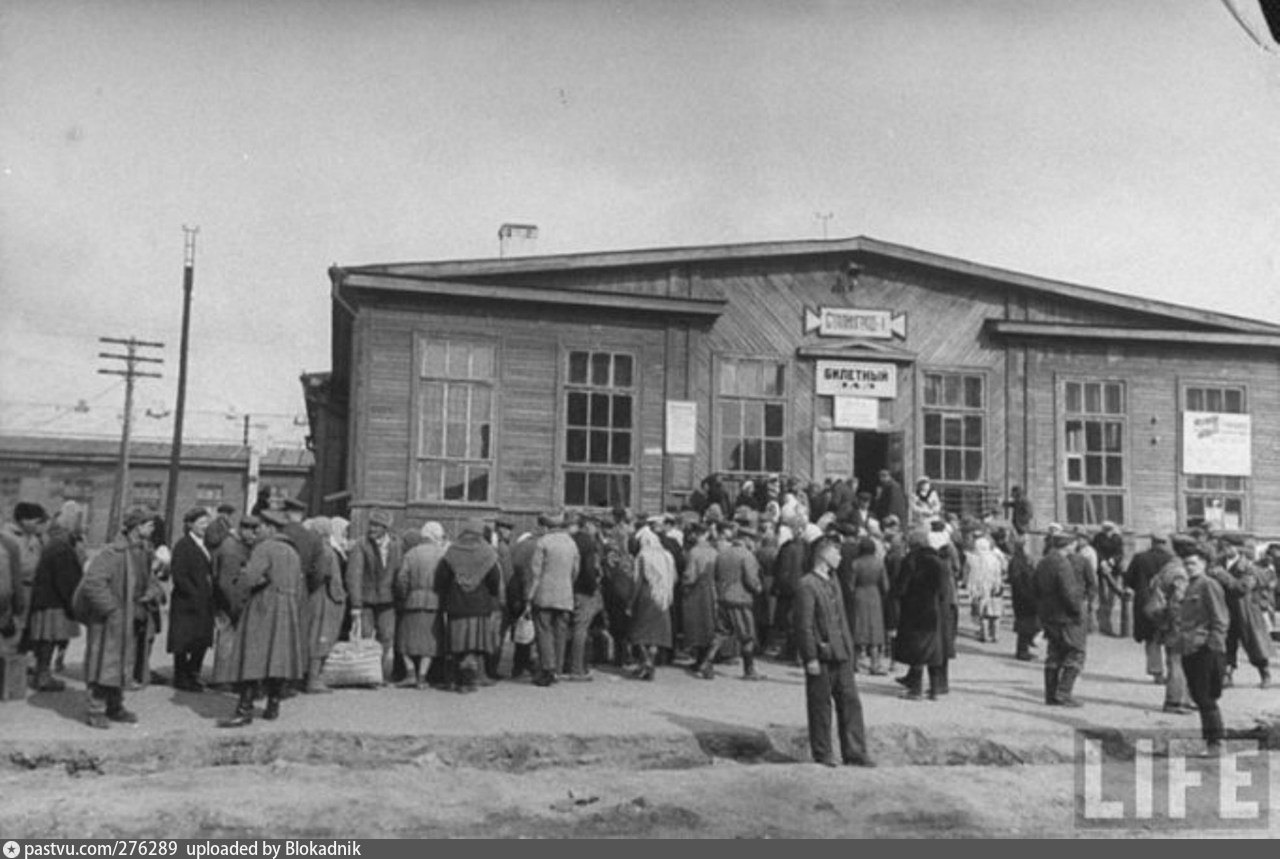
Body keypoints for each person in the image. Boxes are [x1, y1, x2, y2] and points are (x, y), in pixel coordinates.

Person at [218, 509, 305, 728]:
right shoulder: (292, 552)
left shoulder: (264, 548)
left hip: (264, 607)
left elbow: (249, 578)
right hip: (288, 608)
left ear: (271, 528)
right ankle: (272, 706)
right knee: (277, 658)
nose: (257, 530)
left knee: (252, 656)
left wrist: (238, 596)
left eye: (261, 526)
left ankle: (244, 710)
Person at [796, 537, 873, 768]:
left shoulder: (834, 580)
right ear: (822, 554)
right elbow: (804, 625)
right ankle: (823, 753)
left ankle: (855, 752)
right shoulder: (807, 584)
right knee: (820, 707)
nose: (840, 557)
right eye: (835, 552)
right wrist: (810, 656)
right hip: (821, 655)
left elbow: (843, 619)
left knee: (851, 703)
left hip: (842, 654)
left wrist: (850, 651)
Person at [79, 508, 155, 728]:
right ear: (137, 527)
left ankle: (115, 706)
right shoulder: (113, 553)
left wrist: (151, 592)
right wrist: (111, 610)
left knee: (123, 663)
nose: (153, 529)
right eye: (150, 525)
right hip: (110, 621)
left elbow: (149, 579)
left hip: (133, 617)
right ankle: (95, 710)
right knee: (104, 663)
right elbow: (93, 584)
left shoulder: (144, 551)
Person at [22, 501, 85, 692]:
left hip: (47, 598)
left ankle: (42, 673)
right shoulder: (62, 547)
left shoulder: (55, 542)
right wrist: (75, 603)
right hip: (54, 601)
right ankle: (43, 676)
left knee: (46, 640)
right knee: (48, 640)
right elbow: (66, 579)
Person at [436, 519, 503, 694]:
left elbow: (442, 578)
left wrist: (445, 595)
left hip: (456, 604)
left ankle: (454, 680)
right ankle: (470, 679)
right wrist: (492, 595)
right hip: (479, 605)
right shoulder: (487, 552)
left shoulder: (452, 551)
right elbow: (495, 580)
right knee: (474, 645)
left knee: (457, 644)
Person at [1176, 543, 1230, 756]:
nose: (1189, 567)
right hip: (1190, 648)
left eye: (1193, 563)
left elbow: (1220, 619)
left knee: (1205, 697)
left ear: (1205, 564)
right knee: (1199, 696)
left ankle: (1216, 743)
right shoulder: (1190, 585)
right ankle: (1212, 741)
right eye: (1186, 563)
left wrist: (1213, 648)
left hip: (1205, 649)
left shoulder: (1209, 585)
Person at [892, 528, 952, 700]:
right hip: (934, 610)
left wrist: (898, 597)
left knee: (917, 651)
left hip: (915, 610)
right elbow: (943, 590)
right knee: (933, 650)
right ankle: (934, 690)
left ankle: (916, 689)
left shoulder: (912, 560)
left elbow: (901, 587)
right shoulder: (938, 561)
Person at [346, 509, 404, 683]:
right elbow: (354, 575)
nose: (372, 529)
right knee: (364, 635)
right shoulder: (361, 545)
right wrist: (356, 603)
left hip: (388, 600)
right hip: (366, 600)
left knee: (387, 637)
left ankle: (379, 672)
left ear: (386, 528)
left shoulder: (396, 545)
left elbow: (399, 572)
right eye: (371, 524)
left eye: (377, 525)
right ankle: (364, 673)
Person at [1033, 531, 1087, 707]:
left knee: (1054, 654)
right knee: (1076, 652)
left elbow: (1035, 588)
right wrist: (1077, 611)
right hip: (1065, 617)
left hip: (1048, 615)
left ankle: (1051, 695)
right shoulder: (1063, 564)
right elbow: (1069, 592)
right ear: (1068, 544)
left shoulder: (1043, 562)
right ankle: (1063, 693)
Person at [526, 512, 579, 688]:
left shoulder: (543, 542)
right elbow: (575, 571)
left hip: (545, 594)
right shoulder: (572, 544)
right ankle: (557, 668)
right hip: (565, 595)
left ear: (547, 526)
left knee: (544, 631)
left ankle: (547, 668)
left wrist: (530, 596)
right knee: (560, 633)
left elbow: (536, 573)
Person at [1214, 533, 1273, 688]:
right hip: (1225, 609)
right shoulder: (1218, 564)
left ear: (1237, 548)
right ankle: (1227, 675)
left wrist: (1222, 575)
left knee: (1254, 644)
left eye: (1228, 547)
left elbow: (1241, 588)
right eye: (1223, 546)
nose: (1225, 550)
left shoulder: (1249, 567)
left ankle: (1265, 673)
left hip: (1246, 611)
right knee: (1227, 643)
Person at [394, 521, 447, 690]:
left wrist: (403, 596)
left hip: (412, 600)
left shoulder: (411, 554)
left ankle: (410, 673)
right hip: (434, 602)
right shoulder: (442, 555)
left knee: (405, 640)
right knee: (429, 643)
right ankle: (422, 677)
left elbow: (402, 579)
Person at [167, 507, 215, 692]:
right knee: (183, 641)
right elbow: (179, 576)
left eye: (207, 523)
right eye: (201, 523)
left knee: (201, 640)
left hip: (204, 602)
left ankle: (193, 674)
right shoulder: (183, 546)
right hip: (187, 603)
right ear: (190, 525)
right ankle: (181, 677)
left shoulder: (206, 545)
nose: (205, 526)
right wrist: (194, 595)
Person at [1143, 542, 1194, 715]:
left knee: (1175, 661)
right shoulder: (1180, 573)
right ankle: (1175, 701)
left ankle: (1182, 700)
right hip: (1177, 624)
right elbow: (1178, 601)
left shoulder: (1166, 569)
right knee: (1178, 662)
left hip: (1164, 622)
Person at [210, 515, 259, 690]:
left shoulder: (235, 545)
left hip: (229, 601)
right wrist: (236, 607)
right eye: (253, 531)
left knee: (228, 639)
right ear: (244, 529)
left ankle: (224, 677)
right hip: (228, 603)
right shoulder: (231, 549)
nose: (254, 536)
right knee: (227, 639)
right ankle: (222, 679)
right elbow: (226, 583)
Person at [304, 516, 348, 693]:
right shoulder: (325, 550)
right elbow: (321, 575)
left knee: (317, 635)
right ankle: (313, 679)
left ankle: (312, 676)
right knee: (320, 636)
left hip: (322, 594)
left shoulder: (318, 548)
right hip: (324, 597)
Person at [628, 523, 677, 681]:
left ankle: (646, 661)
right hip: (662, 596)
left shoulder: (643, 556)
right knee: (656, 634)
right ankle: (650, 664)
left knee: (640, 631)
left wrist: (630, 603)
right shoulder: (667, 555)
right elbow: (674, 578)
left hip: (646, 595)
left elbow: (638, 581)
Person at [1126, 533, 1176, 683]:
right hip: (1167, 602)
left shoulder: (1140, 558)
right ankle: (1172, 672)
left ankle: (1157, 672)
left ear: (1152, 542)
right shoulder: (1172, 560)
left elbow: (1129, 579)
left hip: (1145, 602)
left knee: (1151, 638)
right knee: (1169, 637)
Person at [840, 535, 888, 675]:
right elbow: (885, 585)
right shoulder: (879, 563)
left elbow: (850, 584)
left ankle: (854, 664)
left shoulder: (856, 563)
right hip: (874, 595)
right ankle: (874, 664)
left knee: (858, 629)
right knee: (874, 632)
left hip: (859, 595)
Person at [566, 513, 605, 680]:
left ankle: (567, 664)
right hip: (583, 589)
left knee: (569, 628)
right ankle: (577, 668)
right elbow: (589, 569)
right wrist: (593, 587)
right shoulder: (586, 542)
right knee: (581, 629)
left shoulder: (567, 539)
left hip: (568, 588)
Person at [5, 502, 47, 642]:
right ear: (24, 520)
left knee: (21, 636)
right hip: (12, 593)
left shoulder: (35, 539)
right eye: (37, 521)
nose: (39, 525)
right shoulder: (8, 539)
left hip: (30, 592)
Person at [965, 535, 1006, 644]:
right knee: (995, 614)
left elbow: (971, 576)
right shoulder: (995, 559)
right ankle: (996, 635)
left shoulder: (975, 560)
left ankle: (985, 635)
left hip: (981, 590)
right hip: (995, 589)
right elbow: (1000, 572)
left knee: (984, 614)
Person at [1092, 522, 1126, 637]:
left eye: (1109, 529)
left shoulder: (1117, 538)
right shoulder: (1098, 538)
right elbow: (1096, 550)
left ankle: (1109, 622)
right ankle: (1104, 625)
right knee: (1103, 595)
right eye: (1105, 529)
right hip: (1102, 568)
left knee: (1113, 594)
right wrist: (1101, 561)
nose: (1107, 531)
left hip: (1114, 569)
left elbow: (1120, 553)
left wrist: (1112, 561)